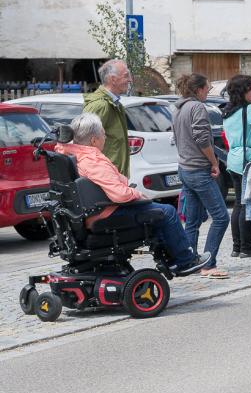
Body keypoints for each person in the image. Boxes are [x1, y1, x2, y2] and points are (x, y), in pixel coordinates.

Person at [59, 113, 210, 275]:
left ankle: (172, 259)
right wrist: (137, 194)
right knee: (167, 212)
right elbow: (120, 195)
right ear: (94, 140)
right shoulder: (92, 161)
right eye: (103, 133)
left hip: (97, 211)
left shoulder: (72, 154)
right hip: (106, 213)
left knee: (156, 211)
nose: (105, 137)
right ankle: (185, 261)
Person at [172, 73, 230, 279]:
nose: (209, 92)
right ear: (198, 90)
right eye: (207, 88)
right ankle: (208, 263)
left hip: (185, 168)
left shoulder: (178, 108)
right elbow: (203, 138)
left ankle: (189, 262)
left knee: (193, 221)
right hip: (198, 169)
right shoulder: (196, 107)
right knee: (221, 217)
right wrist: (214, 162)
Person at [222, 74, 251, 257]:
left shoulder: (227, 111)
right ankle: (247, 247)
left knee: (239, 204)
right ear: (244, 91)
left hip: (233, 159)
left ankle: (237, 246)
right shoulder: (249, 110)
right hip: (249, 159)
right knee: (248, 203)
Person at [82, 59, 132, 177]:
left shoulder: (115, 103)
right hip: (105, 178)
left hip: (113, 176)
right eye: (126, 76)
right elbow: (84, 144)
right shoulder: (101, 105)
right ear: (113, 79)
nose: (130, 80)